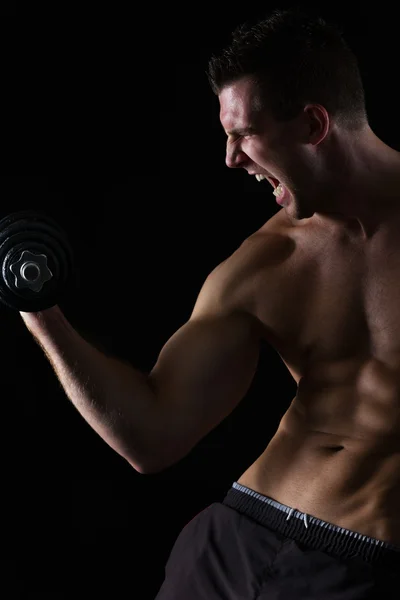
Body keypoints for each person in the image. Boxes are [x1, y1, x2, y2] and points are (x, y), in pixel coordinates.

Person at [20, 7, 400, 599]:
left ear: (313, 124)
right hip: (233, 546)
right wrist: (39, 312)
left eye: (244, 134)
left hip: (359, 572)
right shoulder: (263, 266)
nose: (231, 159)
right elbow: (152, 436)